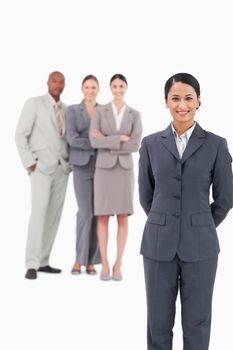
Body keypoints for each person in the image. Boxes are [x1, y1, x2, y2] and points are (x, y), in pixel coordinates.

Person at [139, 72, 233, 350]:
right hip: (157, 246)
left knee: (197, 323)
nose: (182, 104)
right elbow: (147, 196)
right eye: (175, 98)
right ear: (166, 101)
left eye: (188, 98)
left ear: (199, 101)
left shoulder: (216, 144)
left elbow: (225, 199)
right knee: (157, 323)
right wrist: (165, 223)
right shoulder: (151, 144)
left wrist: (200, 224)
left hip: (201, 247)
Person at [15, 71, 71, 280]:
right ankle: (31, 263)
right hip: (40, 168)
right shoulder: (34, 104)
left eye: (61, 81)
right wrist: (30, 163)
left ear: (64, 85)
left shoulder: (67, 110)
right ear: (47, 83)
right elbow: (20, 135)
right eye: (54, 80)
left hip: (61, 169)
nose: (58, 84)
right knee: (38, 212)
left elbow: (68, 139)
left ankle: (44, 261)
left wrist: (70, 163)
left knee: (53, 216)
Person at [89, 73, 143, 281]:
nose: (118, 89)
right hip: (103, 170)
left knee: (122, 216)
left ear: (126, 88)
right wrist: (119, 138)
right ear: (110, 88)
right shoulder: (100, 112)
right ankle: (105, 264)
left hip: (124, 170)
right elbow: (94, 142)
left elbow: (135, 145)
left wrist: (108, 140)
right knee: (102, 216)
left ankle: (118, 264)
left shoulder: (134, 114)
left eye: (121, 86)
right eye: (114, 86)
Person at [66, 75, 101, 275]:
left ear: (98, 89)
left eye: (93, 87)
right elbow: (71, 138)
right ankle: (79, 259)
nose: (90, 90)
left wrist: (99, 140)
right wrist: (96, 142)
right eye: (87, 87)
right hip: (81, 167)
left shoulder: (104, 110)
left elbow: (106, 134)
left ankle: (91, 261)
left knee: (97, 214)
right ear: (82, 89)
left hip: (102, 167)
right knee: (85, 213)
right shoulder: (72, 111)